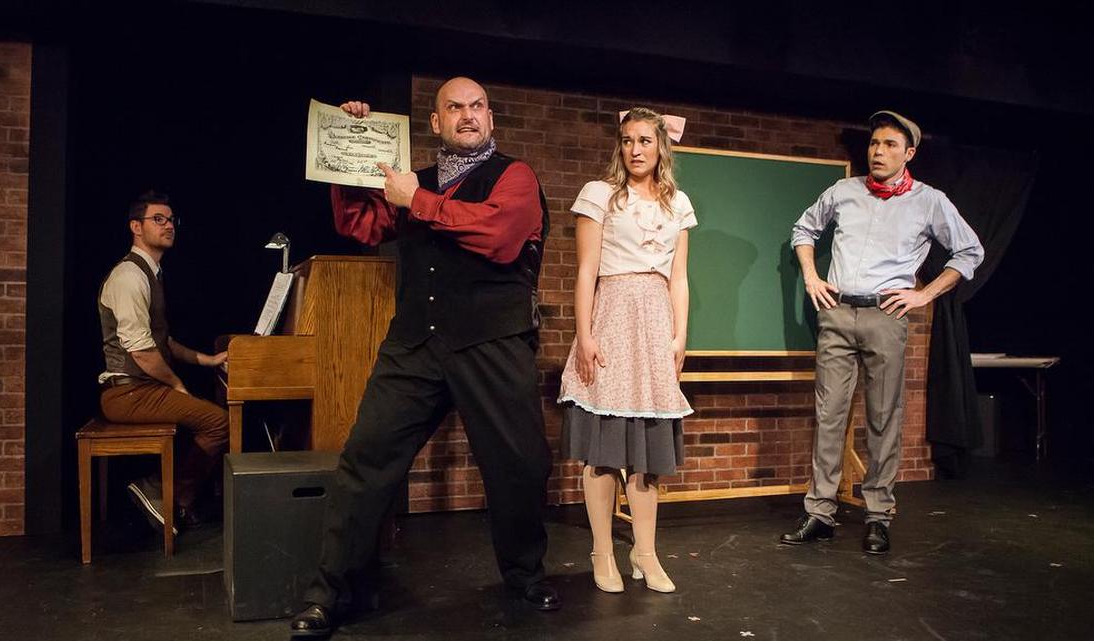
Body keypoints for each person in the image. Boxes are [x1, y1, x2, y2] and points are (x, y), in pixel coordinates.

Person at [291, 77, 558, 638]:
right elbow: (361, 225)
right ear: (435, 123)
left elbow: (500, 237)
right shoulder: (416, 181)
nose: (468, 115)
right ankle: (329, 593)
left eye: (478, 106)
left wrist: (418, 201)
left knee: (518, 467)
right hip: (415, 344)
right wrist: (348, 149)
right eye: (455, 108)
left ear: (491, 118)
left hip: (492, 342)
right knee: (364, 464)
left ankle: (524, 576)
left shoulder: (515, 176)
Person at [782, 111, 984, 554]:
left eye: (890, 145)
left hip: (885, 317)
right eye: (875, 143)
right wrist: (812, 277)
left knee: (883, 418)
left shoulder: (929, 201)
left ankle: (878, 515)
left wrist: (923, 294)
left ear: (909, 153)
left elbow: (970, 251)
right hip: (837, 314)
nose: (878, 151)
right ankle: (820, 513)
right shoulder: (844, 191)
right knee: (829, 416)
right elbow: (804, 229)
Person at [557, 107, 695, 594]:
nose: (636, 149)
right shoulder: (600, 196)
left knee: (647, 454)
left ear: (661, 147)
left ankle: (644, 551)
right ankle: (601, 551)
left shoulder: (678, 203)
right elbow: (585, 271)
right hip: (611, 319)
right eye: (628, 140)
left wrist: (680, 335)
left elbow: (678, 279)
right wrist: (585, 334)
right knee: (604, 450)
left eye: (645, 141)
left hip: (655, 324)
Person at [97, 190, 229, 533]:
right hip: (126, 393)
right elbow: (141, 351)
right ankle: (164, 492)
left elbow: (163, 342)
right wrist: (177, 384)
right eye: (158, 219)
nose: (168, 225)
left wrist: (209, 360)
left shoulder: (150, 274)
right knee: (218, 423)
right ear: (135, 226)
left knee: (208, 416)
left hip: (139, 390)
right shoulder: (129, 276)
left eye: (171, 220)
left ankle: (173, 499)